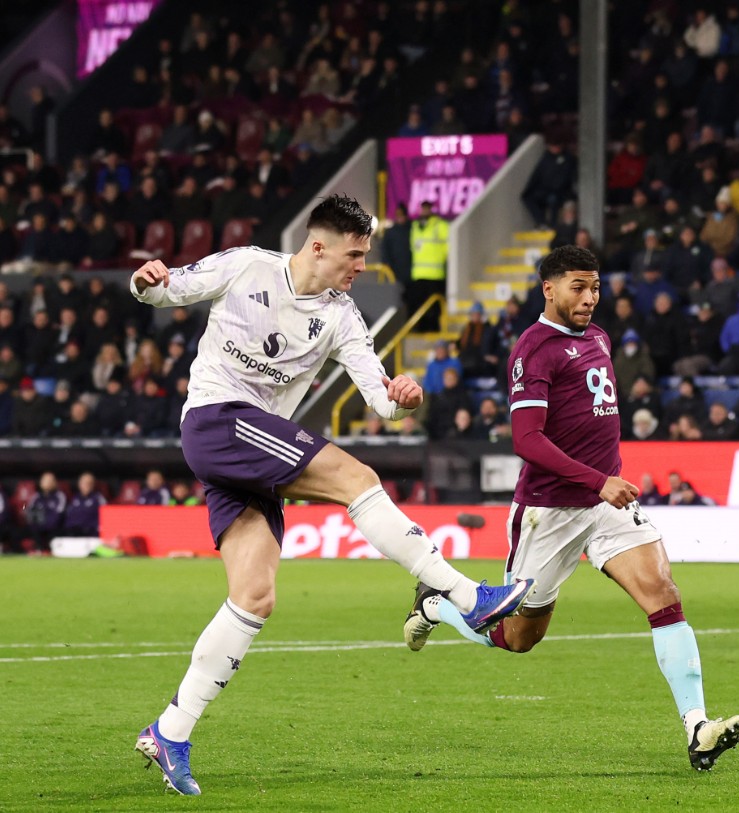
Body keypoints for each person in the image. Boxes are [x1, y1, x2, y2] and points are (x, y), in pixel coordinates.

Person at [127, 195, 532, 795]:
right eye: (356, 253)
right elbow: (165, 291)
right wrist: (145, 280)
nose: (361, 265)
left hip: (252, 450)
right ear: (319, 246)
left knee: (255, 597)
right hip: (217, 420)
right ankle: (466, 594)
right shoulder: (246, 266)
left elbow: (379, 397)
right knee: (356, 479)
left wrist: (402, 396)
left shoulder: (341, 316)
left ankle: (171, 730)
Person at [401, 245, 739, 771]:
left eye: (596, 287)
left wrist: (605, 482)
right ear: (549, 288)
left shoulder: (600, 338)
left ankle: (697, 726)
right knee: (517, 638)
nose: (590, 298)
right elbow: (527, 440)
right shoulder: (532, 350)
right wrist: (597, 481)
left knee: (663, 596)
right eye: (578, 288)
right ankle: (436, 606)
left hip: (606, 503)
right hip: (550, 510)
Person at [407, 200, 449, 332]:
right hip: (418, 273)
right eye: (423, 208)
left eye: (427, 208)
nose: (425, 211)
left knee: (434, 307)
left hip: (435, 274)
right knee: (420, 305)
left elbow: (448, 247)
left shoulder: (440, 225)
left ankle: (434, 328)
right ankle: (422, 328)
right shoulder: (415, 226)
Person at [63, 471, 106, 536]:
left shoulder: (98, 498)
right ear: (79, 484)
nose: (86, 485)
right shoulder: (74, 498)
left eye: (89, 483)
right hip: (74, 532)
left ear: (93, 485)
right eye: (84, 483)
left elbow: (106, 515)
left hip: (91, 532)